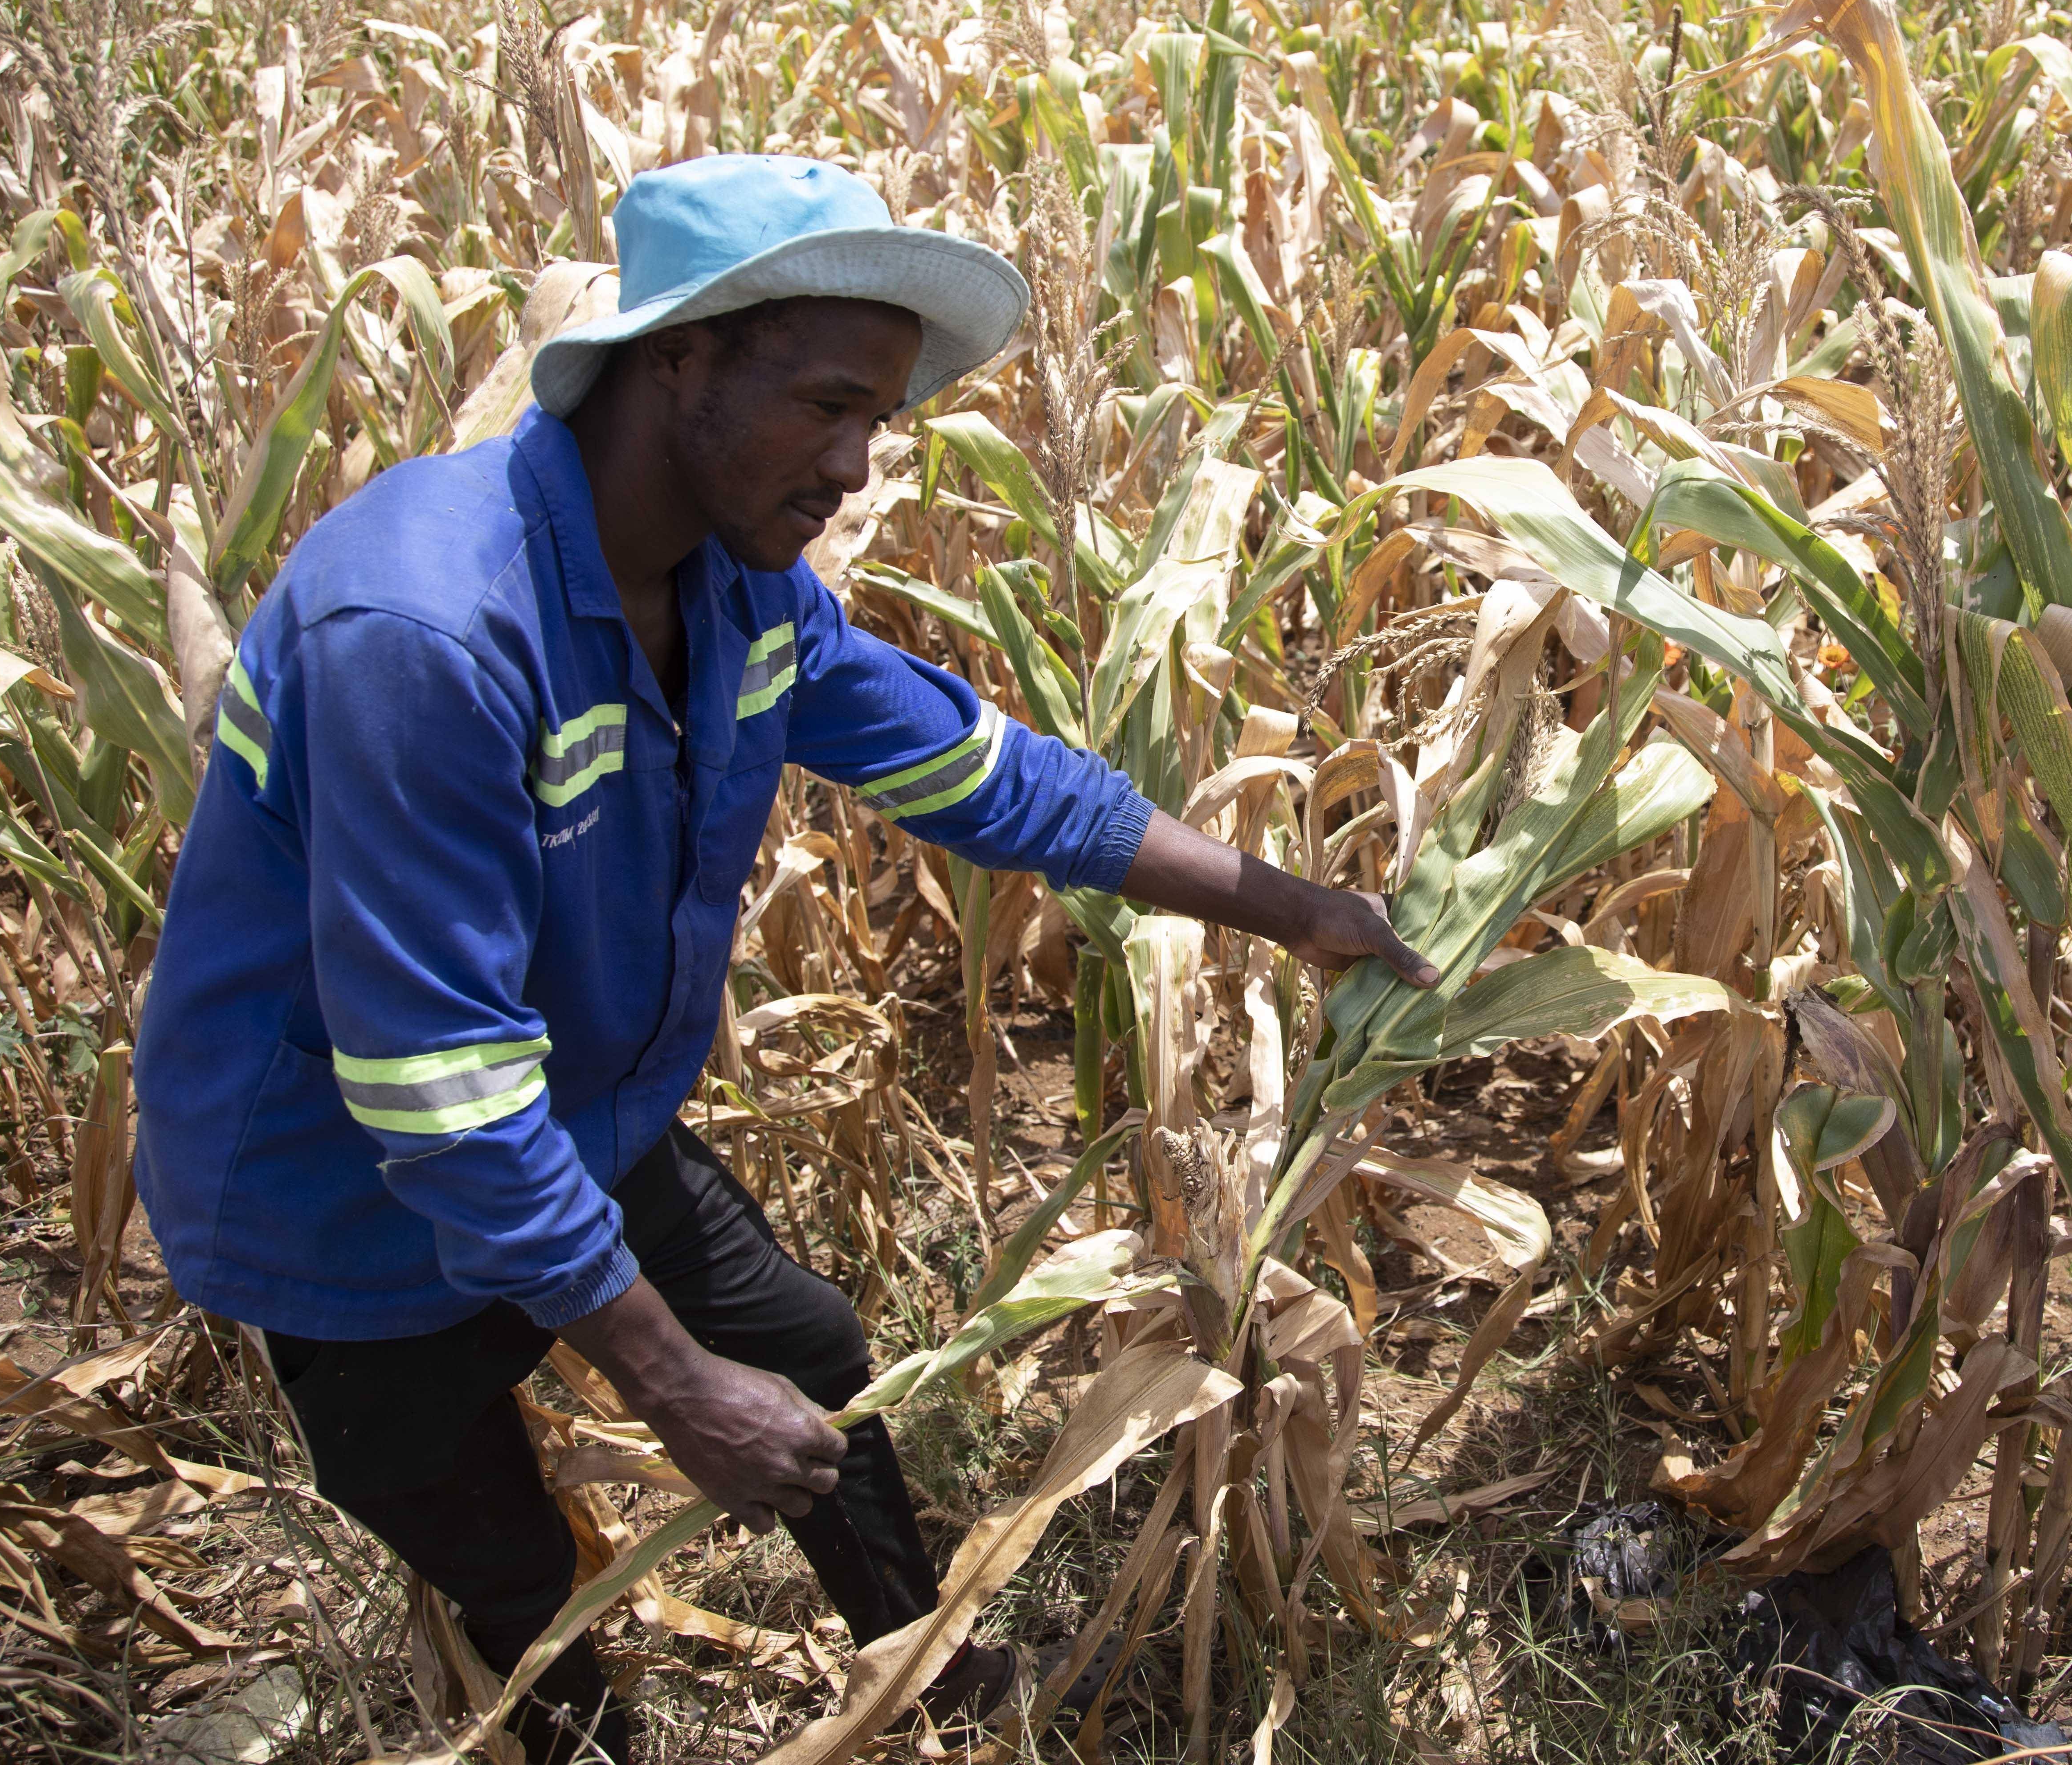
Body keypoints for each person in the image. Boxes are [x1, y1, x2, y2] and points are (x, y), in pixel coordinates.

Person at [132, 155, 1438, 1763]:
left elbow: (988, 776)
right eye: (829, 405)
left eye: (876, 421)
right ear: (678, 356)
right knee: (507, 1568)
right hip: (341, 1190)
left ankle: (933, 1675)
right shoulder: (428, 631)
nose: (857, 465)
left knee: (815, 1362)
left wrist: (1290, 905)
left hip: (575, 1117)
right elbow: (437, 1089)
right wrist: (673, 1382)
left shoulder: (739, 595)